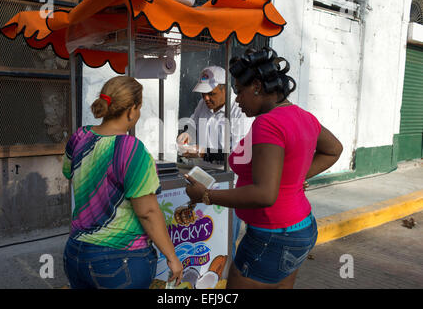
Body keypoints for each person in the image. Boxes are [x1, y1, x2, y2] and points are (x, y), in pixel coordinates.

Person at [184, 47, 343, 289]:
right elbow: (333, 149)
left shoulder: (267, 123)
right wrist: (295, 178)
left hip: (272, 235)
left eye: (239, 91)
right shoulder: (303, 116)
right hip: (301, 227)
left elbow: (264, 194)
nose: (237, 99)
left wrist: (206, 196)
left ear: (257, 86)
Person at [62, 76, 183, 289]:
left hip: (75, 253)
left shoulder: (79, 137)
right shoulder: (131, 149)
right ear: (131, 110)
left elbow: (69, 173)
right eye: (139, 108)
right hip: (119, 260)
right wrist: (171, 256)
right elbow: (147, 212)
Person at [177, 66, 253, 164]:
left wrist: (204, 153)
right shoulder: (202, 103)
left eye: (211, 94)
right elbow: (193, 124)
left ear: (225, 89)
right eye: (203, 94)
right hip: (202, 169)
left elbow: (238, 153)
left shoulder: (240, 111)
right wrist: (187, 133)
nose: (206, 98)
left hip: (227, 173)